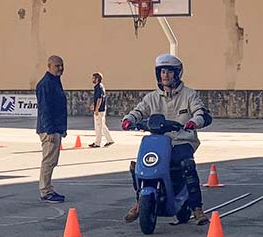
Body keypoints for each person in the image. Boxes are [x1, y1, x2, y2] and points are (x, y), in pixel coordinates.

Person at [121, 54, 212, 226]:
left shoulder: (189, 95)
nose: (165, 75)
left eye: (169, 72)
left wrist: (194, 121)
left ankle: (197, 208)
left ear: (177, 74)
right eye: (162, 71)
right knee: (138, 166)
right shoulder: (152, 97)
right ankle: (139, 202)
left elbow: (201, 112)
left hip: (181, 141)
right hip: (157, 142)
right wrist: (129, 120)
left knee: (187, 165)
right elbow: (139, 111)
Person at [35, 56, 68, 203]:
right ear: (49, 66)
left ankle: (47, 188)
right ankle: (45, 191)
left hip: (56, 128)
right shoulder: (45, 84)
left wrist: (62, 128)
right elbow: (45, 109)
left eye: (61, 66)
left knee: (52, 160)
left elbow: (59, 108)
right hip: (49, 130)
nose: (60, 68)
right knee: (48, 160)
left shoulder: (55, 82)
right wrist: (49, 130)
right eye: (57, 66)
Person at [88, 72, 115, 148]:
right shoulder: (100, 86)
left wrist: (96, 109)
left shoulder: (98, 87)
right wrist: (93, 104)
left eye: (93, 78)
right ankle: (109, 140)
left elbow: (99, 99)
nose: (92, 79)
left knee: (98, 126)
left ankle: (97, 143)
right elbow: (98, 98)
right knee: (102, 125)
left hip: (100, 110)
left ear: (97, 79)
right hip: (101, 109)